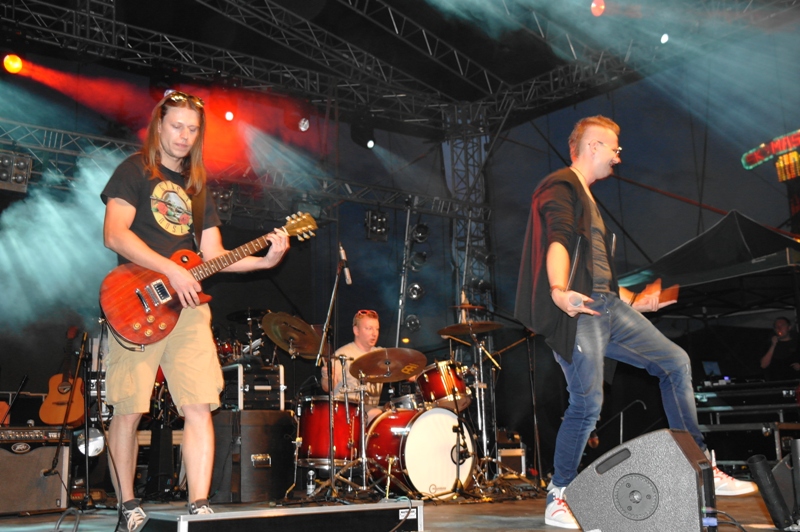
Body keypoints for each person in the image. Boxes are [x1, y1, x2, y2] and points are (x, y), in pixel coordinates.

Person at [514, 115, 756, 529]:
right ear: (592, 146)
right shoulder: (561, 184)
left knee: (675, 362)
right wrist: (558, 290)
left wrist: (637, 302)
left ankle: (698, 465)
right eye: (614, 147)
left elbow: (598, 270)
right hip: (583, 308)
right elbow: (557, 240)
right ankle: (559, 494)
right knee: (587, 403)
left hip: (609, 305)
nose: (618, 156)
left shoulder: (588, 198)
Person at [101, 90, 289, 532]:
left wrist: (264, 261)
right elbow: (115, 234)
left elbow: (214, 255)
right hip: (137, 300)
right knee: (129, 408)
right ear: (159, 125)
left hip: (187, 307)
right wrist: (171, 269)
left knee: (200, 404)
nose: (184, 136)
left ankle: (200, 505)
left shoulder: (197, 186)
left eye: (192, 129)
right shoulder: (134, 170)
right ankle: (128, 504)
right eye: (177, 126)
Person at [321, 309, 383, 423]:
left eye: (377, 329)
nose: (374, 333)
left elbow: (404, 370)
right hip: (347, 411)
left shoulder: (382, 355)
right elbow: (327, 388)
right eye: (369, 328)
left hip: (371, 409)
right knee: (377, 415)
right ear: (356, 331)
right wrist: (326, 377)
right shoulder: (342, 355)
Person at [760, 316, 800, 381]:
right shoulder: (769, 344)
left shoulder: (797, 342)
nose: (779, 328)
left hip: (794, 381)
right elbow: (763, 365)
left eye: (782, 326)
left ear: (789, 327)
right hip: (777, 382)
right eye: (776, 327)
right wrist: (773, 345)